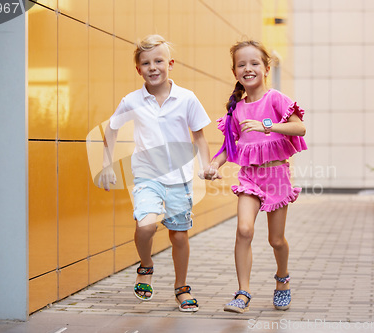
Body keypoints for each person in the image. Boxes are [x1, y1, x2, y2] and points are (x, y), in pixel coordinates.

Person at [98, 34, 212, 312]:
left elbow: (199, 137)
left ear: (170, 63)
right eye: (146, 63)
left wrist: (206, 166)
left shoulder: (187, 98)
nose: (153, 67)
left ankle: (181, 288)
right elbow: (111, 128)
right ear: (138, 69)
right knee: (146, 225)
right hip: (147, 176)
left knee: (179, 236)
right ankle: (146, 265)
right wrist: (106, 164)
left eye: (158, 61)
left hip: (179, 179)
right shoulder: (132, 100)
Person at [206, 40, 307, 313]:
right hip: (250, 177)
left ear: (265, 68)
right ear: (234, 71)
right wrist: (214, 166)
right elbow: (228, 148)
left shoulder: (275, 99)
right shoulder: (236, 110)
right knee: (244, 230)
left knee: (276, 240)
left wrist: (268, 126)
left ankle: (282, 279)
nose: (248, 68)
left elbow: (300, 128)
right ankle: (243, 293)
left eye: (254, 63)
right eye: (241, 64)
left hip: (276, 175)